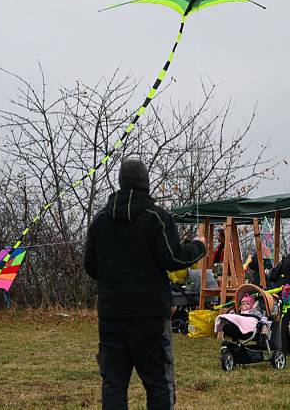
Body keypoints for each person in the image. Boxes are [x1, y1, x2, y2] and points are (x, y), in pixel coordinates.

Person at [84, 158, 206, 409]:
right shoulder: (156, 218)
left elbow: (91, 266)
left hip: (112, 315)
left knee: (114, 384)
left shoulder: (100, 222)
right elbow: (173, 258)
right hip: (150, 316)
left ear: (120, 182)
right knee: (159, 383)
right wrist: (199, 246)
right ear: (145, 182)